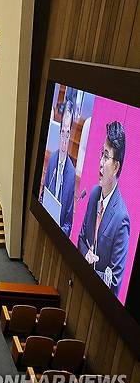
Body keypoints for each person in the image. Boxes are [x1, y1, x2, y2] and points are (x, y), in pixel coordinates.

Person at [77, 121, 130, 296]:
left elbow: (115, 281)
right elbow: (81, 239)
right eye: (102, 154)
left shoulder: (121, 217)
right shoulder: (93, 194)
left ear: (116, 167)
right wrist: (86, 256)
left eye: (106, 157)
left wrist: (91, 269)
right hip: (78, 283)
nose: (100, 162)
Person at [42, 100, 77, 236]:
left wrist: (58, 233)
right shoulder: (52, 159)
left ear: (70, 135)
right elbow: (42, 197)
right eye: (63, 132)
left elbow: (68, 223)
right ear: (59, 132)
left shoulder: (71, 174)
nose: (64, 139)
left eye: (67, 134)